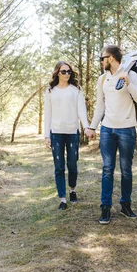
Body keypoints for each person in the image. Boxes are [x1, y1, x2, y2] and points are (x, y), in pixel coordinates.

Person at [85, 45, 137, 224]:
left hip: (127, 129)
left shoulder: (131, 74)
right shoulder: (102, 79)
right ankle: (105, 208)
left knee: (126, 170)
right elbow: (100, 106)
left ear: (111, 58)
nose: (101, 61)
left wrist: (128, 83)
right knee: (107, 169)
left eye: (102, 58)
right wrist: (92, 126)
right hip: (107, 130)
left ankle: (126, 205)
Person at [43, 61, 92, 210]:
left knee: (72, 165)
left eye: (69, 71)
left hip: (72, 132)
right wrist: (47, 136)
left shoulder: (76, 89)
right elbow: (48, 114)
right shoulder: (50, 91)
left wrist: (86, 127)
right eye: (63, 71)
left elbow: (81, 110)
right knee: (59, 167)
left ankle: (72, 190)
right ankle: (62, 199)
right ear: (57, 72)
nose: (66, 74)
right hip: (56, 133)